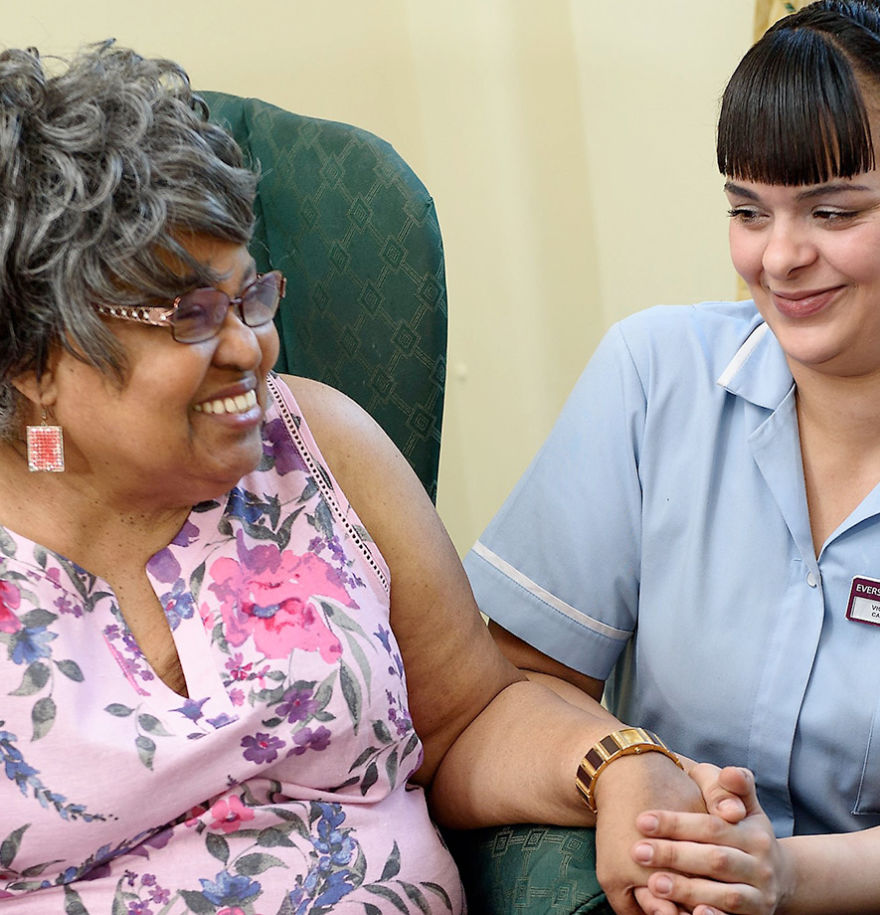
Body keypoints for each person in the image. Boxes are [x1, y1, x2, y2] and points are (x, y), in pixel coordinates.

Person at [0, 40, 655, 914]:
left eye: (249, 299)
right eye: (191, 315)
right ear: (36, 357)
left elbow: (466, 721)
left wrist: (617, 765)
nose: (249, 349)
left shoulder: (319, 446)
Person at [463, 1, 880, 912]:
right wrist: (622, 767)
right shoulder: (656, 377)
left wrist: (780, 876)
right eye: (747, 210)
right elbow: (493, 697)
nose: (780, 257)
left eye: (835, 210)